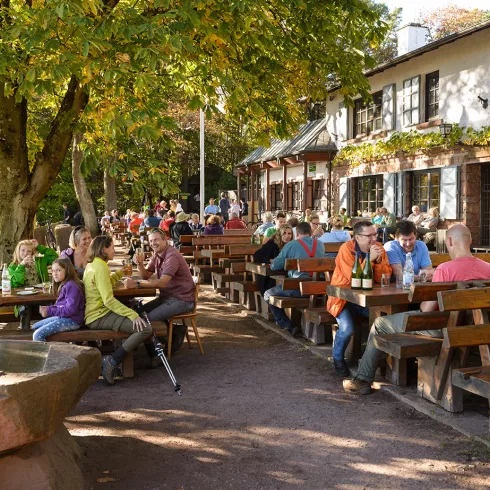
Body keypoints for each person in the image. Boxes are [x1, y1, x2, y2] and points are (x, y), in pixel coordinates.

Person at [343, 224, 490, 394]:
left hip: (443, 330)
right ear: (470, 241)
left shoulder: (444, 270)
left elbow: (427, 311)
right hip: (476, 331)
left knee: (379, 324)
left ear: (449, 241)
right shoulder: (487, 268)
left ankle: (362, 379)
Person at [83, 236, 153, 385]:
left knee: (139, 320)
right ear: (104, 249)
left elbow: (104, 286)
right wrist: (132, 315)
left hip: (96, 313)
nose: (114, 250)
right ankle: (112, 361)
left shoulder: (95, 264)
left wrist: (120, 273)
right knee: (145, 329)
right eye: (112, 247)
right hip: (98, 316)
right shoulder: (100, 267)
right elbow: (108, 300)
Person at [327, 220, 392, 377]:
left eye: (374, 234)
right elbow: (352, 278)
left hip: (364, 301)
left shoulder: (379, 249)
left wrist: (378, 261)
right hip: (342, 300)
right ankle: (337, 358)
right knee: (347, 328)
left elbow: (384, 277)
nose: (373, 239)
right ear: (357, 237)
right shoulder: (346, 249)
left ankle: (375, 361)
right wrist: (369, 259)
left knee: (383, 321)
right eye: (369, 236)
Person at [125, 228, 196, 354]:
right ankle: (173, 332)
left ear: (165, 240)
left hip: (182, 299)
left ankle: (157, 353)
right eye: (151, 241)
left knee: (148, 320)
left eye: (156, 240)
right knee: (138, 315)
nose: (153, 243)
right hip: (167, 297)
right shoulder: (156, 255)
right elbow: (145, 276)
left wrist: (136, 284)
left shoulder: (171, 255)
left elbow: (162, 282)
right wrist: (140, 264)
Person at [264, 222, 325, 338]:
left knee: (267, 294)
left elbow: (275, 266)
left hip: (299, 289)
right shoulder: (321, 244)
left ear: (297, 232)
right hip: (318, 288)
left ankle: (288, 325)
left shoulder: (291, 245)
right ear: (311, 232)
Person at [31, 258, 85, 341]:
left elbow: (70, 310)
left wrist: (49, 310)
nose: (54, 274)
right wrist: (48, 309)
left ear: (67, 270)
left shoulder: (71, 286)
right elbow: (62, 306)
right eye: (53, 271)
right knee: (34, 327)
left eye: (58, 270)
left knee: (38, 335)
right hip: (65, 317)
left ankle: (47, 353)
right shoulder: (65, 284)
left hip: (72, 320)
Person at [9, 239, 58, 327]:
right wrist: (21, 266)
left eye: (29, 251)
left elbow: (55, 257)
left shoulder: (39, 261)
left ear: (32, 253)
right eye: (23, 250)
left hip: (40, 297)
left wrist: (39, 247)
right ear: (18, 251)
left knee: (49, 306)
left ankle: (48, 334)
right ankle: (25, 335)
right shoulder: (13, 267)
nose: (25, 253)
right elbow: (14, 284)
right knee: (25, 309)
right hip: (22, 300)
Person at [253, 224, 293, 295]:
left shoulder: (292, 245)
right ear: (280, 234)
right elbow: (257, 256)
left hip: (285, 275)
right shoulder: (272, 243)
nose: (287, 236)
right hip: (269, 277)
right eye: (284, 233)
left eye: (289, 233)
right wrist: (270, 260)